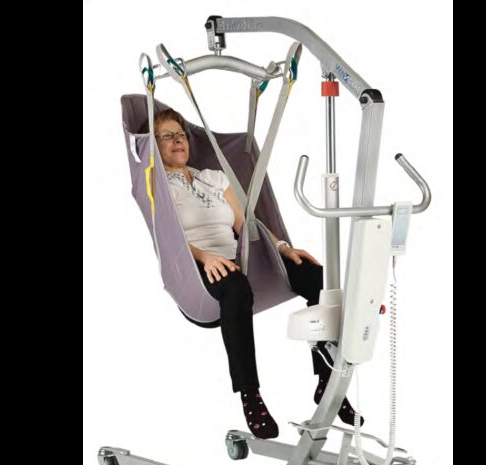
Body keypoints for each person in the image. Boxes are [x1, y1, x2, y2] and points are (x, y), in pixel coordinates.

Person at [153, 108, 364, 439]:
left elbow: (247, 224)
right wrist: (205, 257)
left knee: (318, 277)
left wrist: (282, 248)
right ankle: (250, 396)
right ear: (155, 145)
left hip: (239, 258)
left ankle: (328, 380)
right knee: (236, 285)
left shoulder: (214, 177)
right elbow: (167, 239)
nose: (177, 140)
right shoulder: (158, 186)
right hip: (196, 267)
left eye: (180, 134)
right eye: (167, 136)